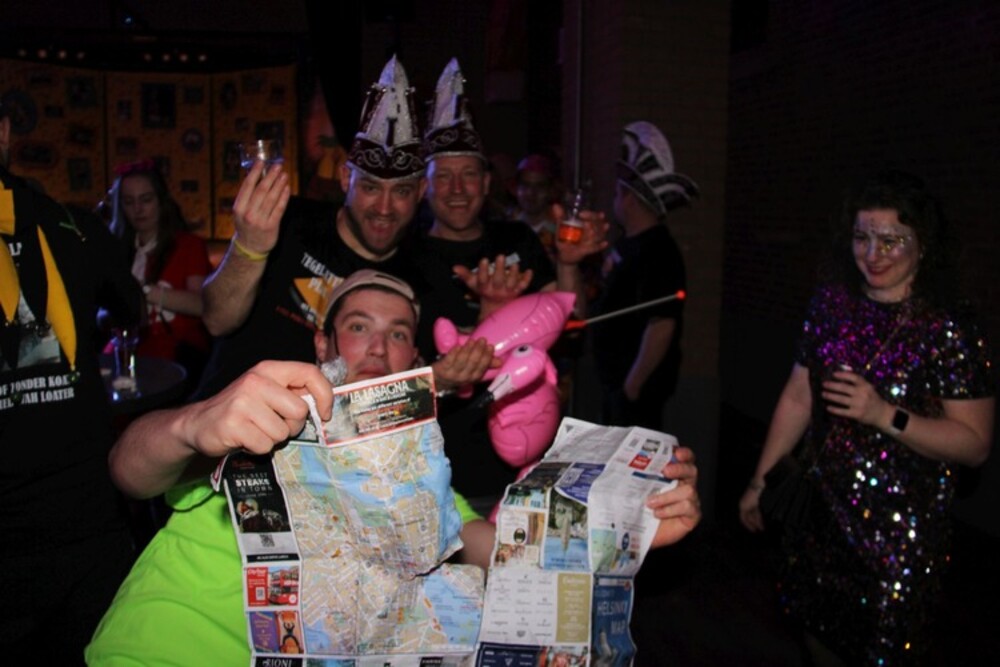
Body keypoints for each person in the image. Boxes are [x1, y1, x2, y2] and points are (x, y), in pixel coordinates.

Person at [86, 269, 702, 664]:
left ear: (416, 358)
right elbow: (129, 469)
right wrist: (192, 425)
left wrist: (626, 525)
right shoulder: (259, 416)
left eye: (399, 334)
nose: (379, 347)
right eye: (359, 327)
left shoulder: (427, 479)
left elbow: (500, 549)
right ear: (324, 345)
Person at [738, 171, 994, 665]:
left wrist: (884, 415)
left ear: (923, 244)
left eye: (891, 240)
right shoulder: (832, 304)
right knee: (816, 632)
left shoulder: (946, 327)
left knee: (881, 651)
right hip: (821, 516)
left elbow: (975, 444)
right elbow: (798, 396)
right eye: (862, 237)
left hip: (899, 533)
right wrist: (759, 481)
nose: (873, 254)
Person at [412, 59, 606, 513]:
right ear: (425, 187)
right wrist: (487, 323)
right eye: (444, 176)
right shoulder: (407, 255)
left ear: (486, 183)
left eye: (468, 175)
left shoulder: (517, 239)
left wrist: (568, 264)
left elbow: (572, 323)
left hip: (521, 456)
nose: (457, 188)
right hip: (435, 462)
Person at [196, 55, 437, 399]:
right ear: (345, 178)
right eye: (370, 187)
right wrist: (249, 248)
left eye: (401, 191)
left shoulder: (420, 276)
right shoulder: (287, 221)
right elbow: (217, 320)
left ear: (422, 191)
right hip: (229, 416)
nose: (384, 208)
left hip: (333, 433)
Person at [0, 101, 143, 664]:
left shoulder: (72, 225)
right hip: (86, 514)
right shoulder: (70, 225)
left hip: (81, 518)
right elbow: (129, 307)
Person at [591, 121, 698, 431]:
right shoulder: (628, 242)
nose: (614, 200)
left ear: (629, 199)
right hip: (614, 384)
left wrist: (632, 386)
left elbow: (661, 323)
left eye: (617, 194)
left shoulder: (659, 251)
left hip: (633, 393)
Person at [107, 159, 212, 384]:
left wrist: (141, 291)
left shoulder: (188, 245)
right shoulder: (116, 249)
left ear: (161, 201)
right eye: (128, 202)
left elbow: (201, 304)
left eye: (146, 199)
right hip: (126, 352)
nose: (138, 209)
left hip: (177, 354)